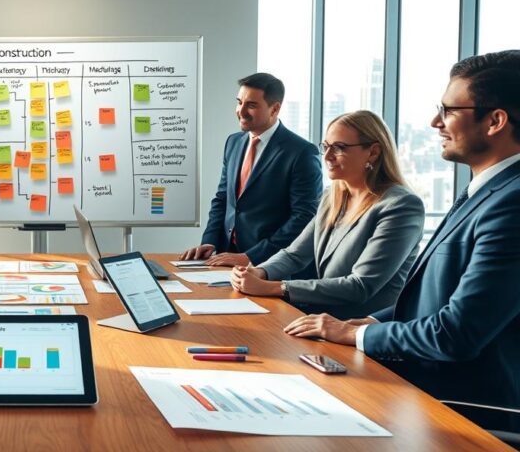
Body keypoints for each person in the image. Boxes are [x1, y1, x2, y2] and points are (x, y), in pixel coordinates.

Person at [284, 51, 520, 432]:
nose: (434, 122)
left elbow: (457, 334)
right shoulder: (484, 192)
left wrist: (355, 332)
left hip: (464, 412)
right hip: (424, 390)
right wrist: (371, 322)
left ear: (495, 121)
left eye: (448, 110)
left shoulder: (512, 202)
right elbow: (433, 298)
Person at [230, 110, 424, 319]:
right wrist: (259, 272)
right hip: (322, 321)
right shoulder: (332, 196)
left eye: (339, 147)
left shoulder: (400, 206)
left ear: (373, 152)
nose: (328, 156)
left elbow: (360, 285)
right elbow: (294, 254)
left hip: (364, 333)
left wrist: (274, 287)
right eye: (326, 147)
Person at [180, 73, 323, 267]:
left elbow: (304, 218)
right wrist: (210, 241)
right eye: (239, 102)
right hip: (225, 258)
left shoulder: (302, 152)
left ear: (275, 109)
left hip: (270, 265)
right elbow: (223, 199)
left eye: (252, 105)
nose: (241, 111)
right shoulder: (234, 142)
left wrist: (252, 256)